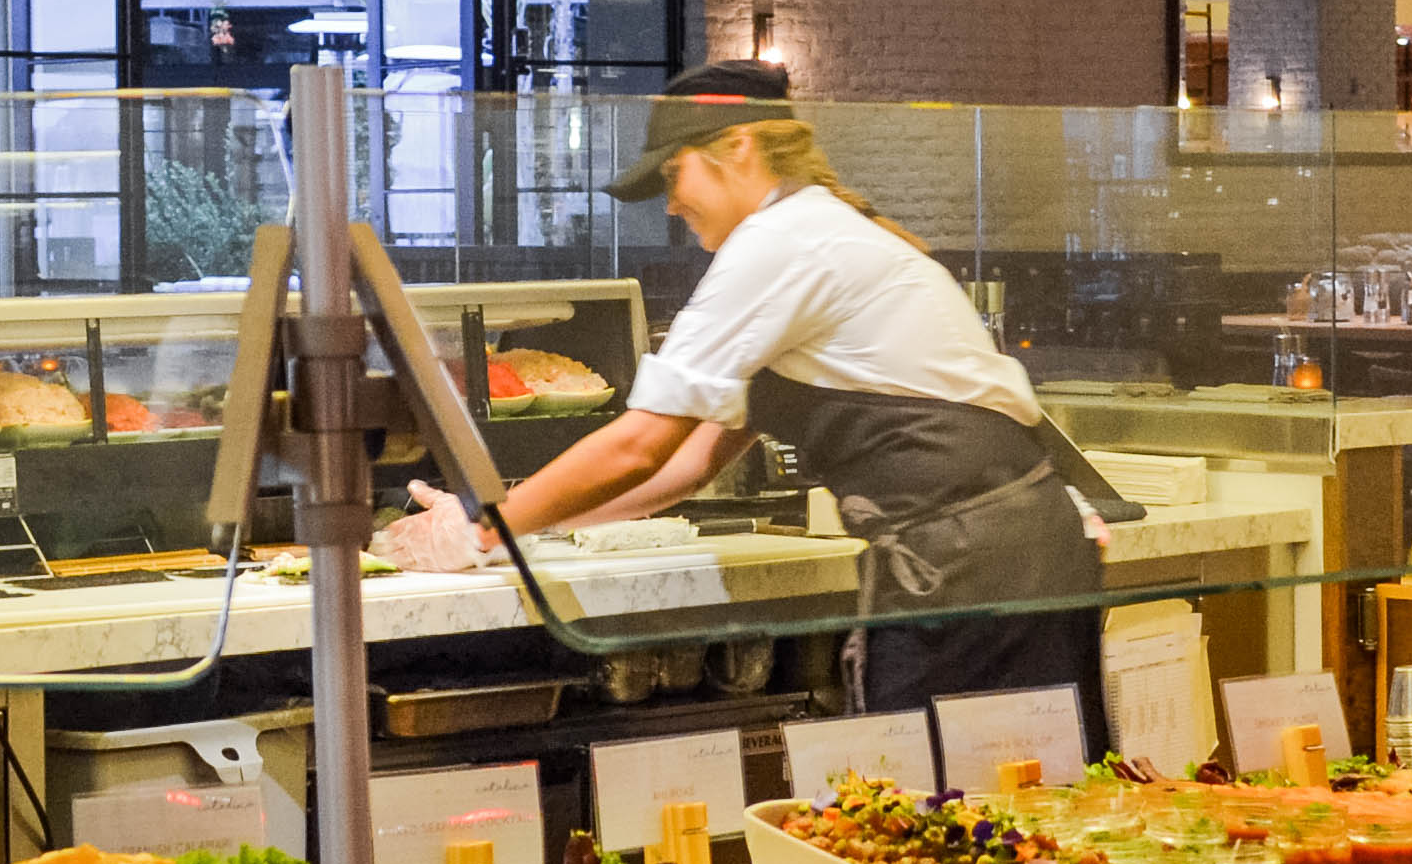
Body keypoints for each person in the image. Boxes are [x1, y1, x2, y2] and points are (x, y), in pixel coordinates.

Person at [376, 63, 1119, 730]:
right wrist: (519, 527)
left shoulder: (781, 242)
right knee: (1014, 820)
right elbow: (683, 471)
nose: (669, 204)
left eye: (674, 175)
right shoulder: (820, 227)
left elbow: (641, 445)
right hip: (1013, 550)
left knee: (957, 823)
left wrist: (481, 528)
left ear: (737, 148)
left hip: (968, 567)